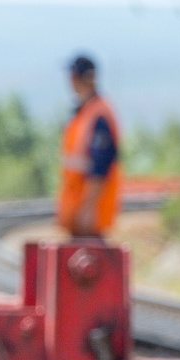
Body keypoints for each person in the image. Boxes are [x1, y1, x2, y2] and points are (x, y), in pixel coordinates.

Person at [57, 53, 120, 238]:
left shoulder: (98, 115)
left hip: (90, 216)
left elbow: (100, 166)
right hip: (77, 211)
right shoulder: (83, 113)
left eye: (75, 77)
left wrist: (88, 207)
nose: (72, 82)